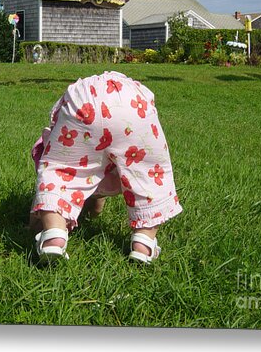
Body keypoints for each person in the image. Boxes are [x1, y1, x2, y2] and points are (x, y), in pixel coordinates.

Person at [28, 70, 182, 264]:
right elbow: (97, 205)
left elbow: (92, 187)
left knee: (62, 170)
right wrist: (93, 212)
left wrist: (37, 219)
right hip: (134, 104)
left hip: (82, 101)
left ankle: (53, 236)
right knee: (147, 175)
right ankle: (144, 243)